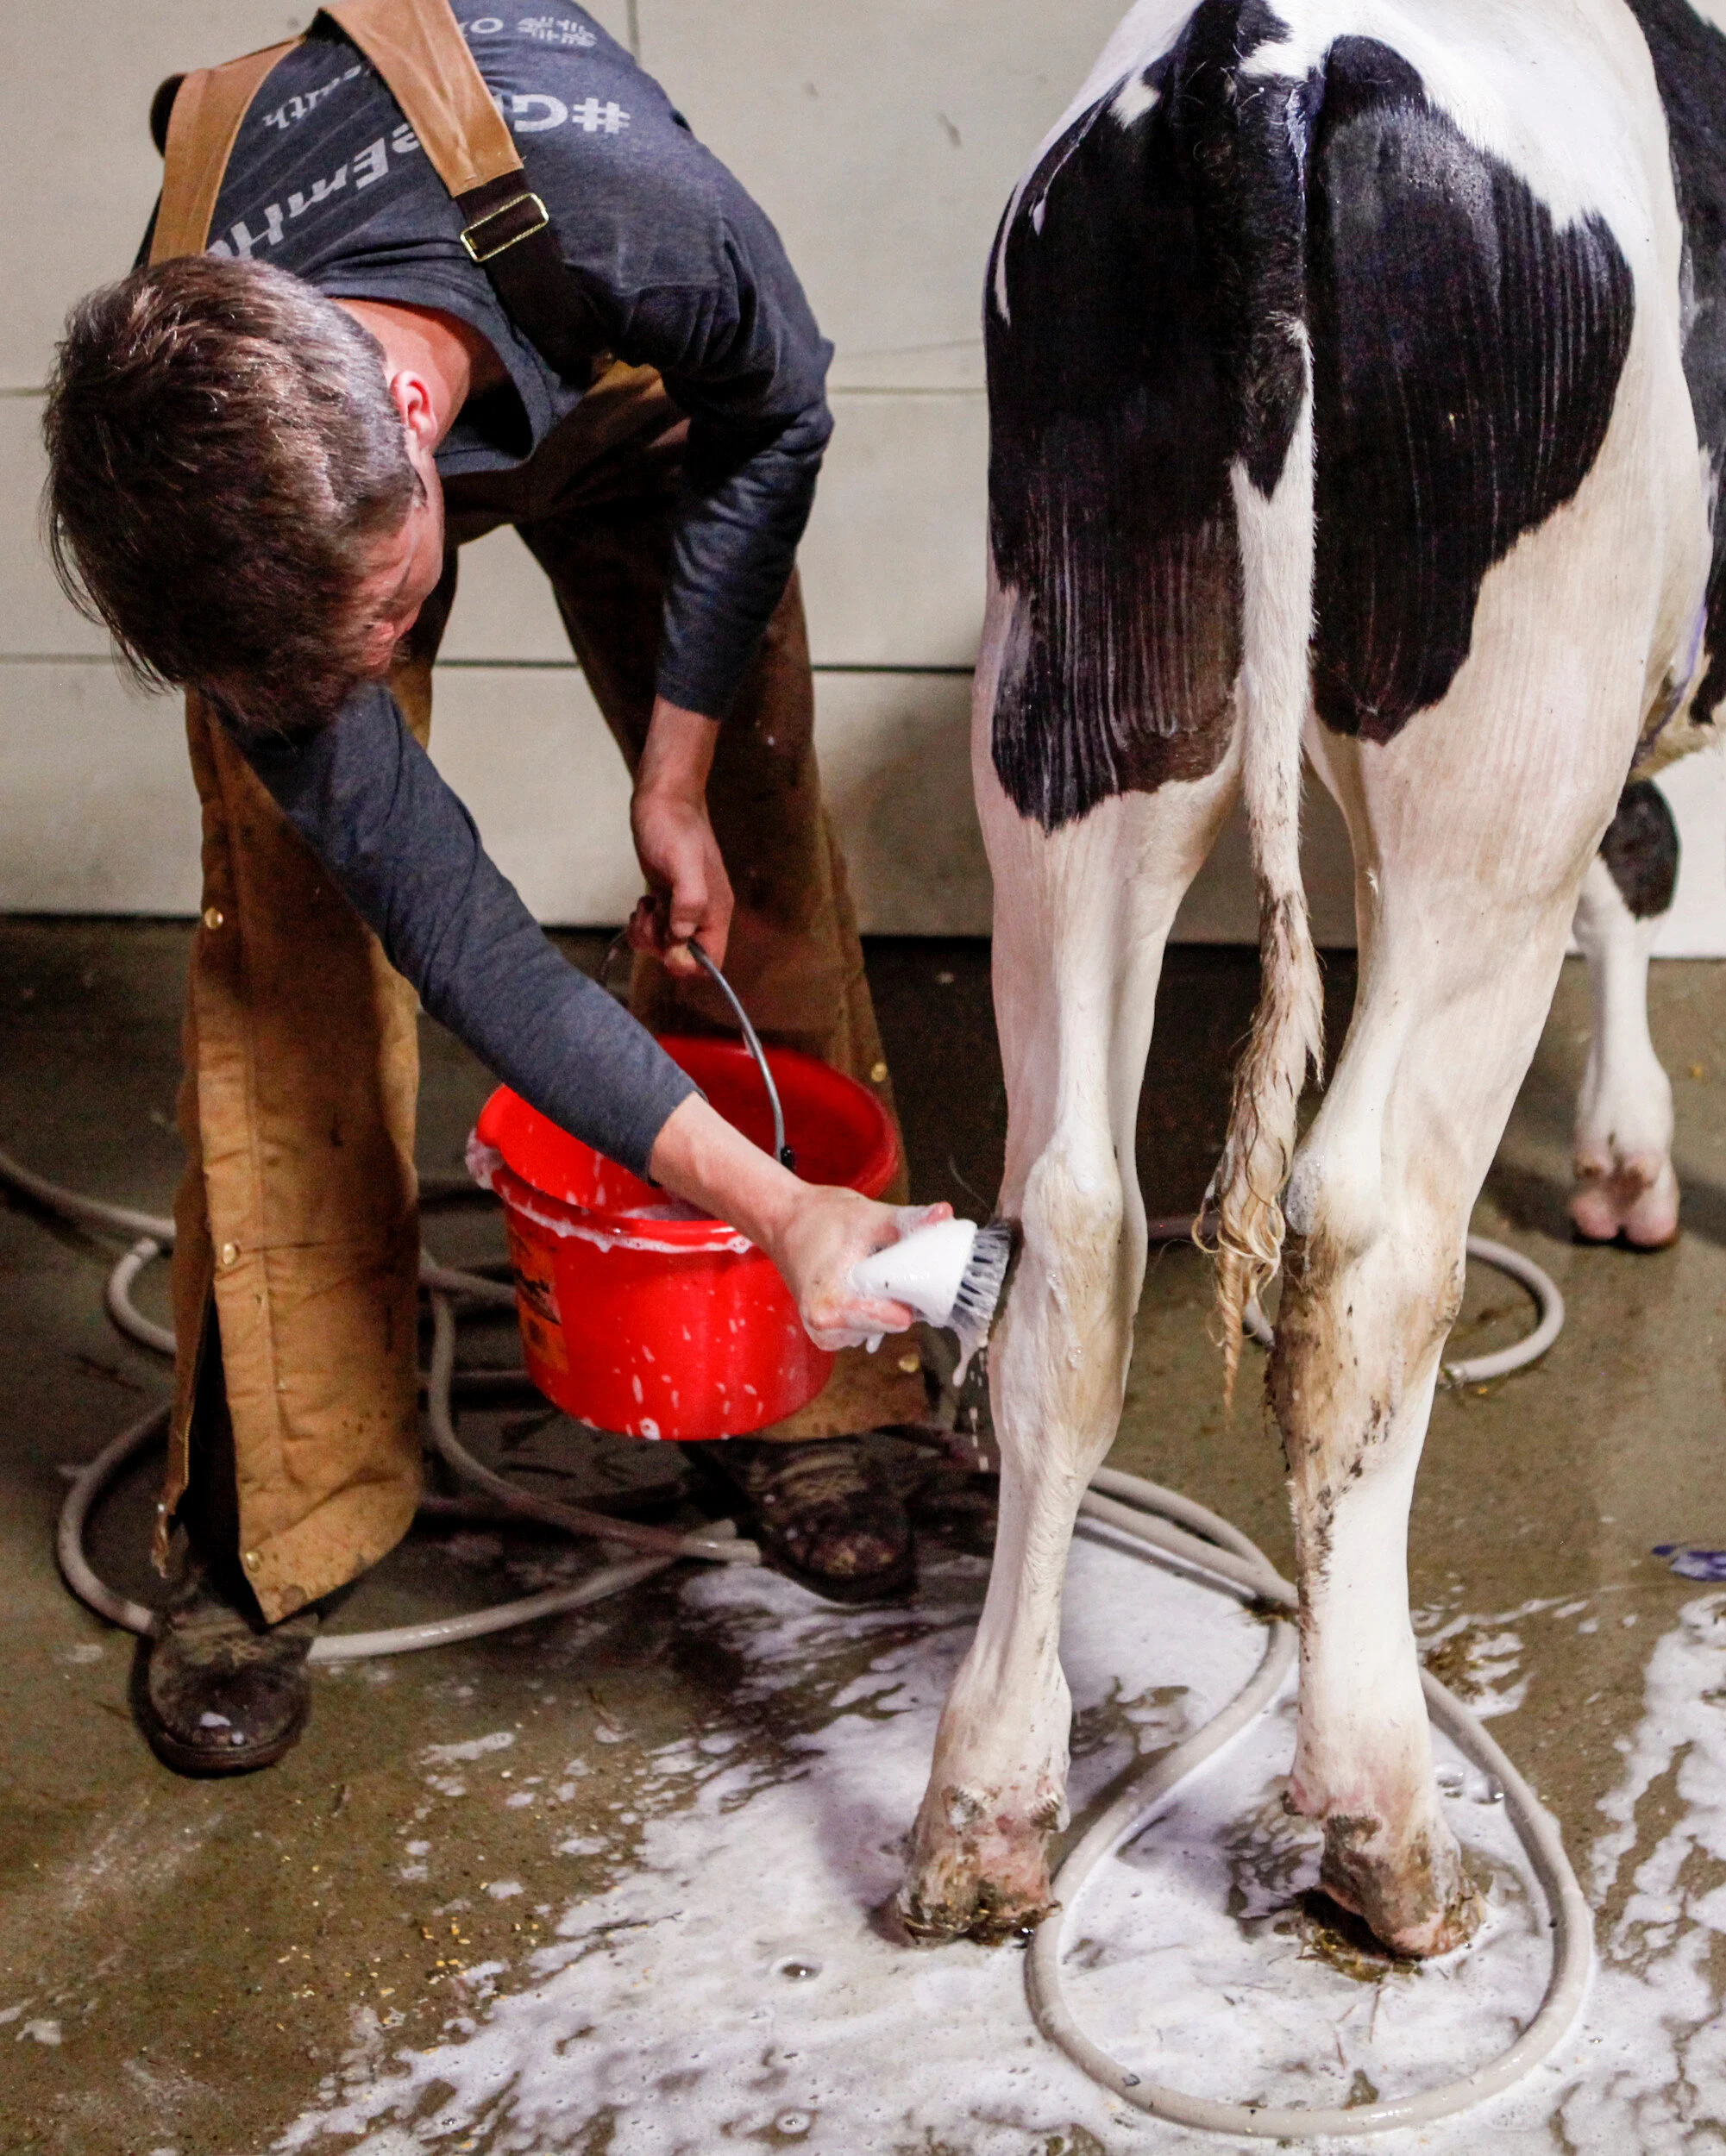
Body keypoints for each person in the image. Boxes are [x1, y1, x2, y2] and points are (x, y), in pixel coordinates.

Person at [41, 0, 941, 1777]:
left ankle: (804, 1385)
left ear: (404, 412)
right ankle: (271, 1515)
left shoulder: (634, 211)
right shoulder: (202, 471)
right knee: (299, 942)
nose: (365, 669)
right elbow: (459, 929)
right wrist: (760, 1189)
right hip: (340, 449)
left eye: (381, 624)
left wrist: (673, 767)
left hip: (621, 374)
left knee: (753, 844)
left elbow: (779, 411)